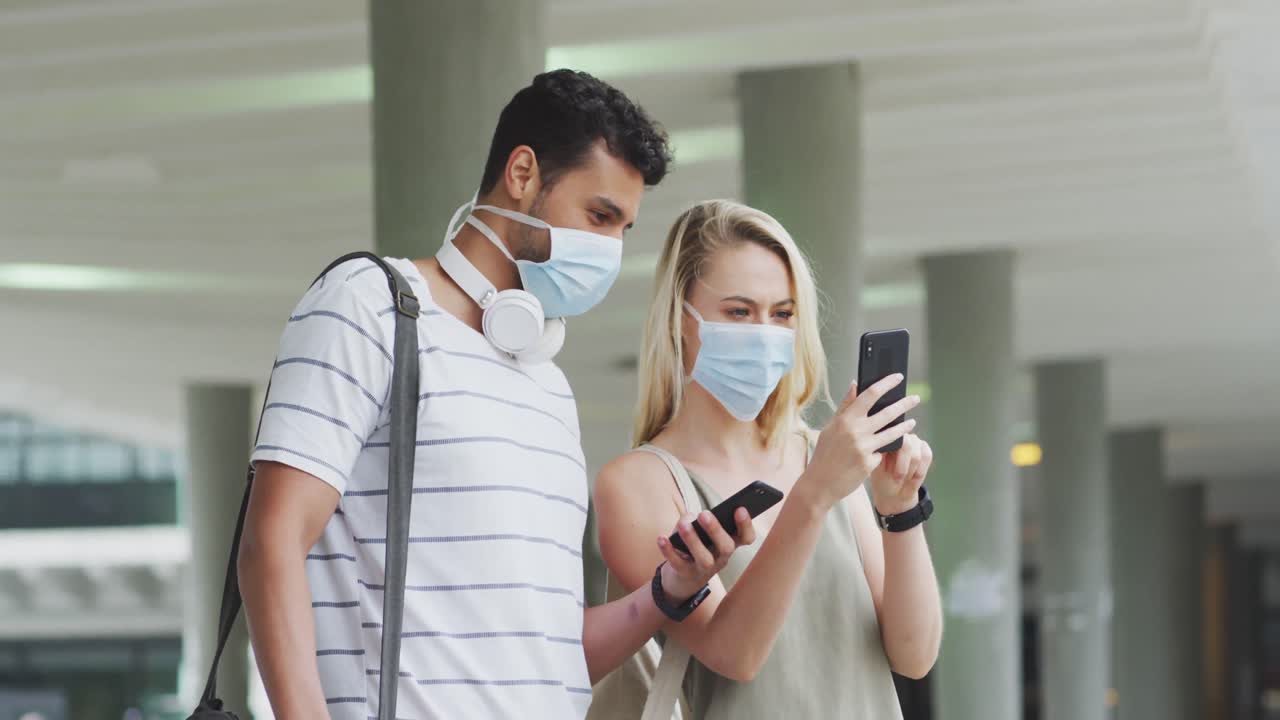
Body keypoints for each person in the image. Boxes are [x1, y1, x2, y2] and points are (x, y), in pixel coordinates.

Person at [237, 71, 756, 720]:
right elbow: (271, 542)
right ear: (522, 174)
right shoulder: (371, 307)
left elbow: (553, 655)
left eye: (624, 228)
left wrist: (667, 590)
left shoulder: (547, 385)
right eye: (599, 216)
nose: (610, 248)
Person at [593, 200, 944, 718]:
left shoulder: (821, 458)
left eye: (782, 314)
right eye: (739, 312)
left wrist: (900, 509)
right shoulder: (638, 484)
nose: (763, 332)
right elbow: (735, 655)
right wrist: (814, 493)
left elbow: (914, 657)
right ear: (681, 318)